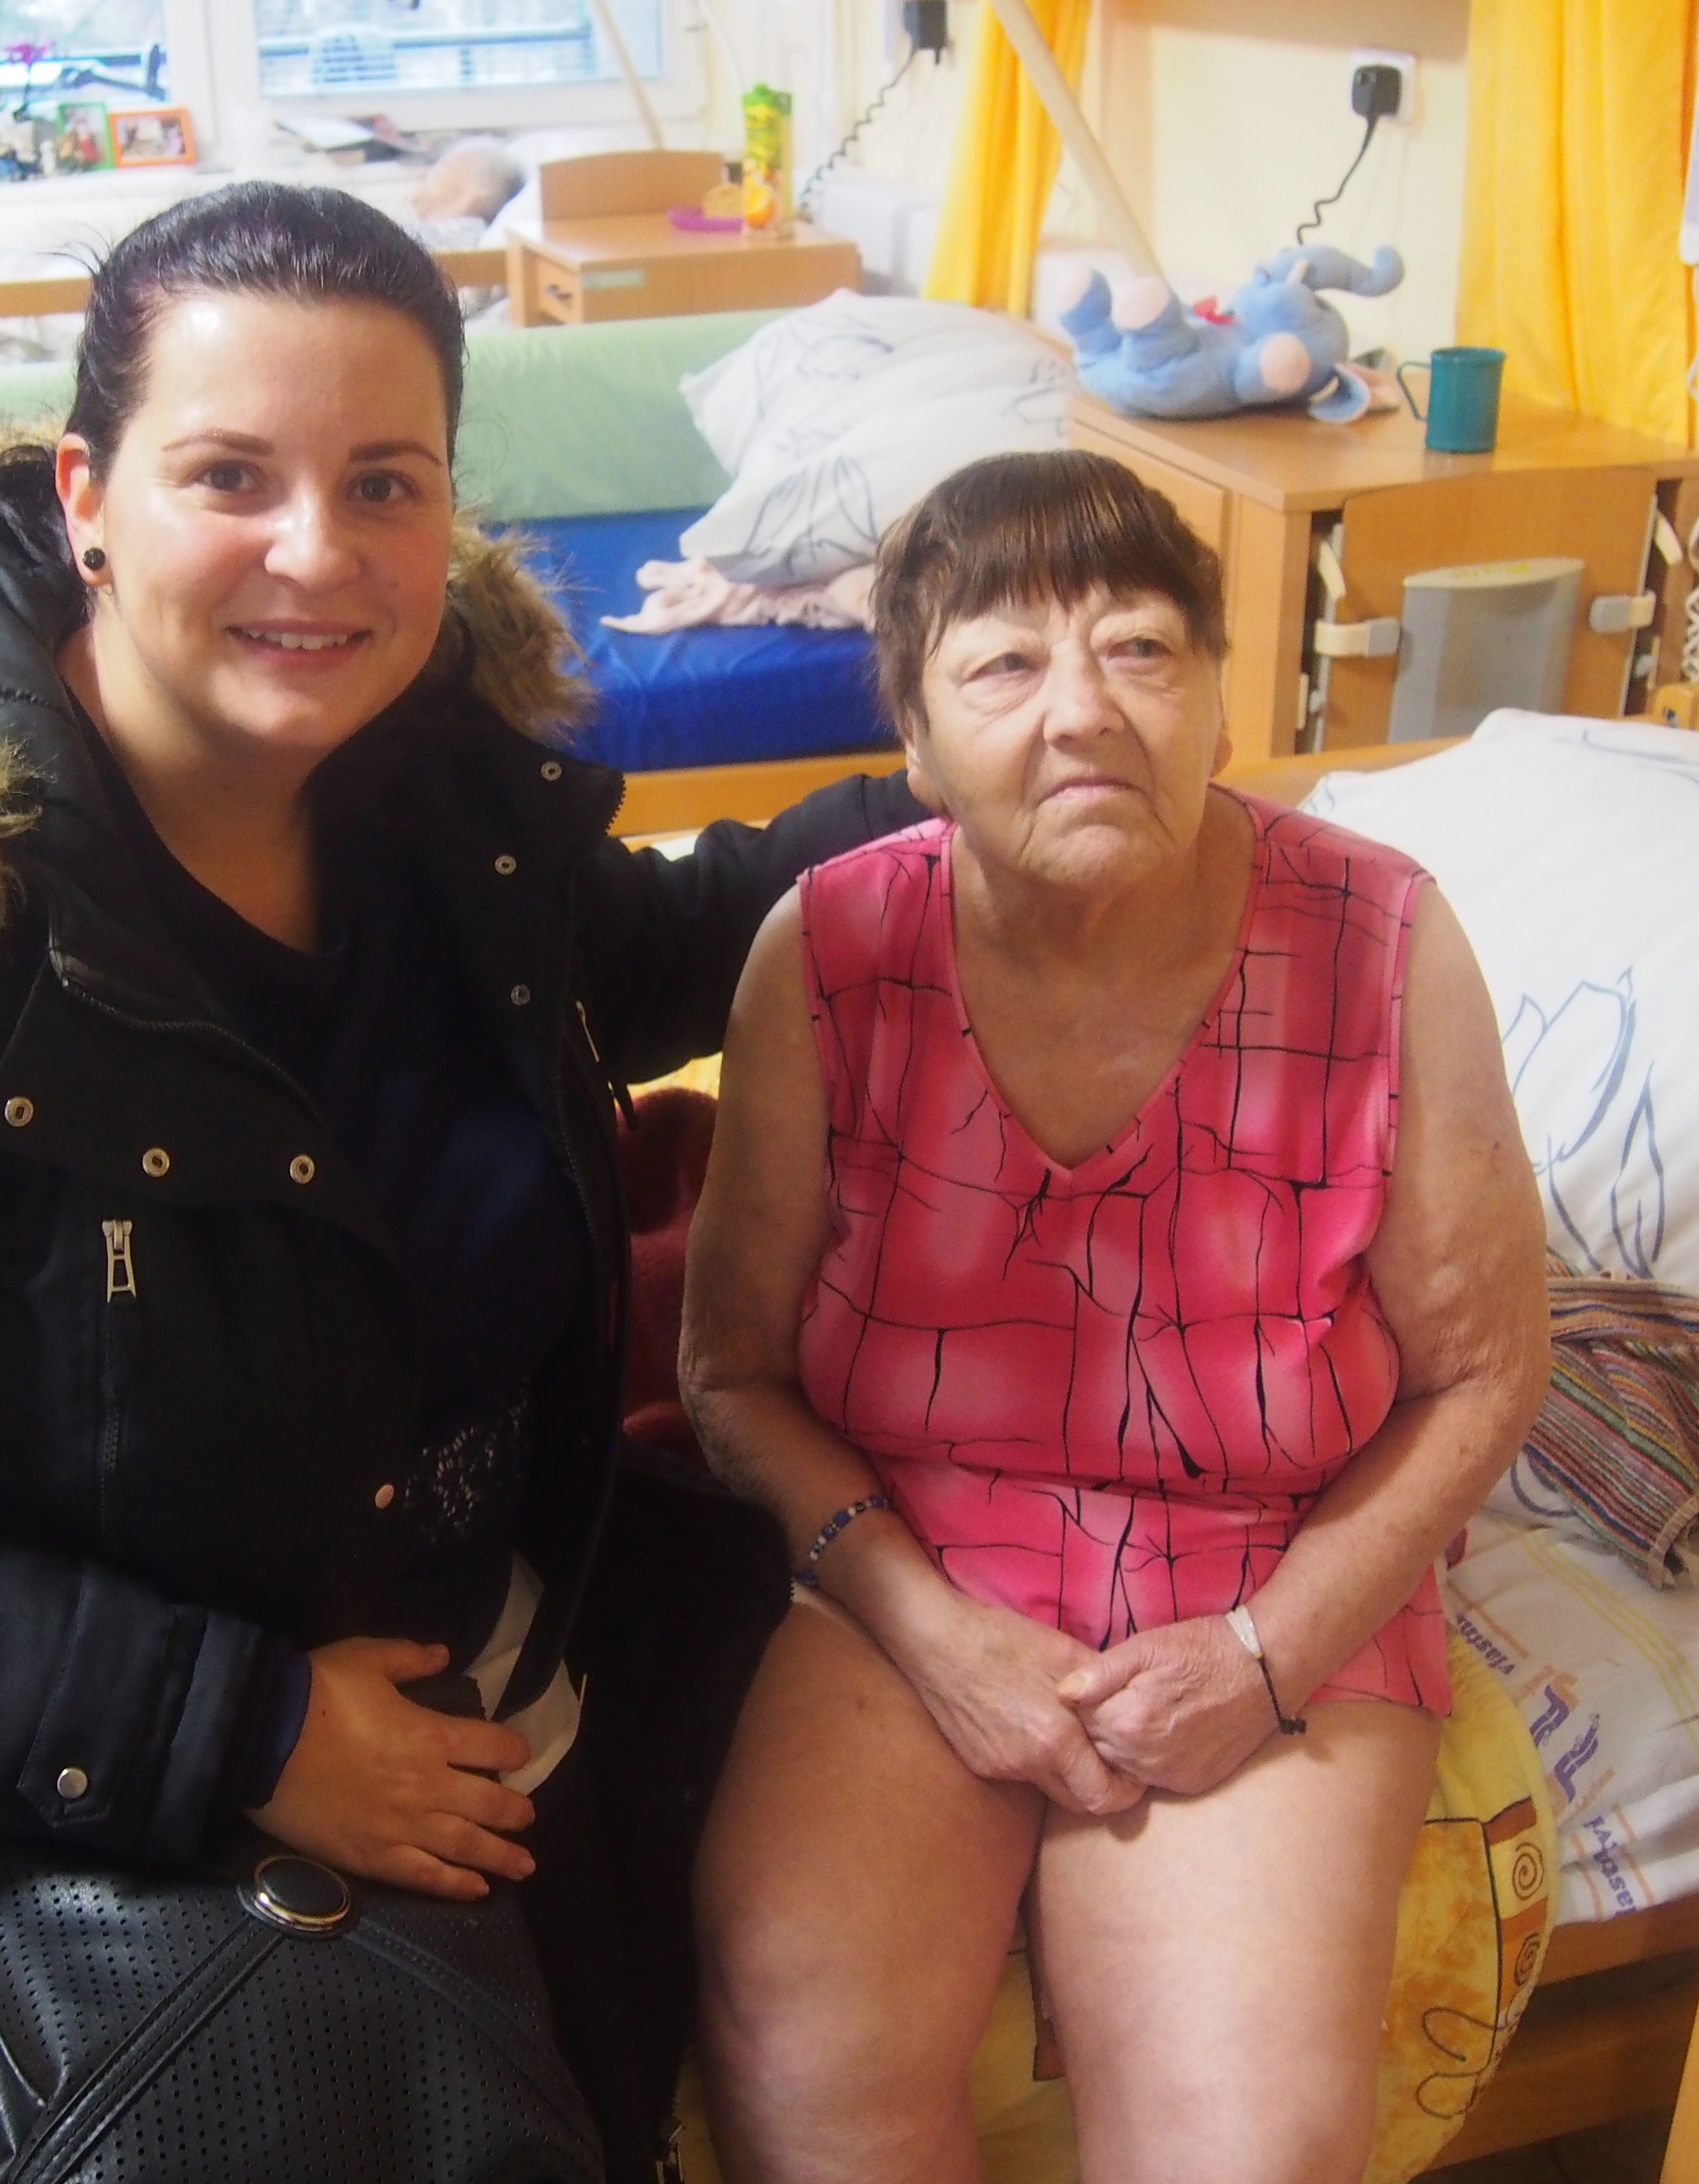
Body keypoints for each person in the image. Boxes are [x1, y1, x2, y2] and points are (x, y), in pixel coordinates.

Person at [0, 182, 917, 2184]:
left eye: (383, 485)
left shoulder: (436, 821)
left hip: (446, 1679)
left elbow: (674, 939)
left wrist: (979, 762)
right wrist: (236, 1731)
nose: (315, 553)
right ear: (85, 496)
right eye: (230, 476)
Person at [680, 450, 1549, 2184]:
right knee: (805, 2054)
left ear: (1221, 697)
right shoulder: (828, 950)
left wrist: (1263, 1657)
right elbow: (729, 1374)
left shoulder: (1384, 939)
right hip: (916, 1557)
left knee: (1245, 2145)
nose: (1084, 710)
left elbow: (1483, 1376)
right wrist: (931, 1630)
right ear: (916, 743)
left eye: (1141, 648)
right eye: (1004, 664)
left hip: (1273, 1556)